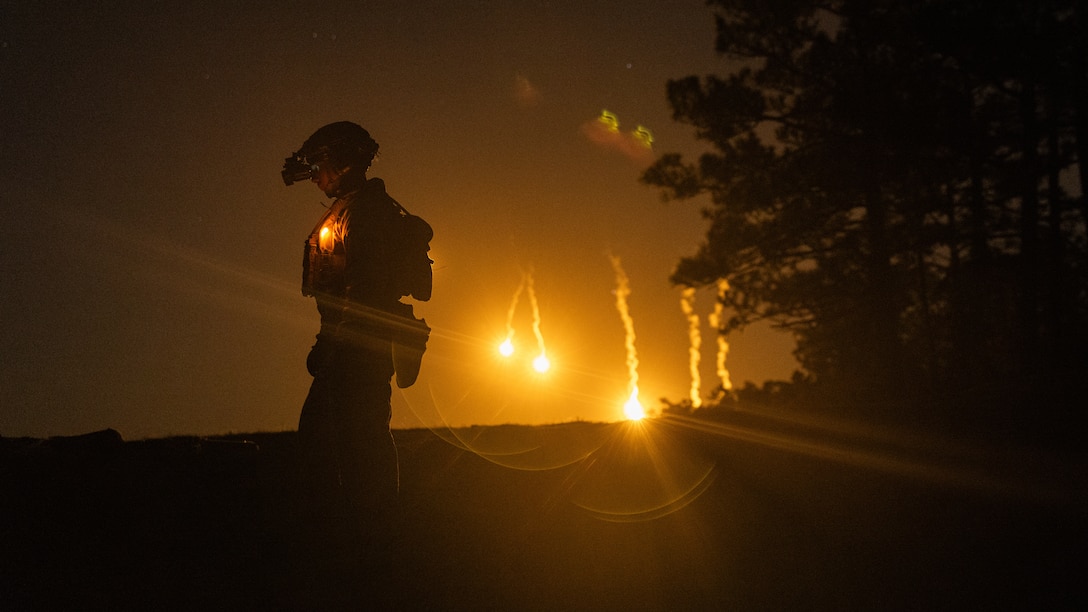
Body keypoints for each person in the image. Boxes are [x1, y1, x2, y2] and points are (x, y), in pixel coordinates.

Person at [281, 121, 430, 566]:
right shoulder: (351, 208)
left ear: (342, 162)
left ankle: (373, 546)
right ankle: (358, 540)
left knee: (359, 443)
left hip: (358, 352)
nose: (316, 173)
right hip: (348, 347)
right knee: (338, 442)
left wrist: (332, 344)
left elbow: (362, 290)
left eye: (321, 163)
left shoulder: (364, 213)